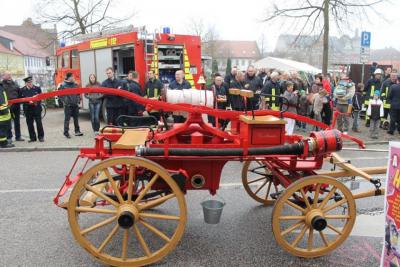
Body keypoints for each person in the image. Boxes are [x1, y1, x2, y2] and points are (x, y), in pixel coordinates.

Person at [59, 72, 83, 138]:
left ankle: (77, 131)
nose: (74, 78)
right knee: (67, 119)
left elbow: (78, 93)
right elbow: (60, 95)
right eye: (72, 76)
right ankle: (66, 132)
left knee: (76, 119)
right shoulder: (63, 85)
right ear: (69, 77)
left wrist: (78, 100)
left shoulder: (75, 84)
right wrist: (65, 102)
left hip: (75, 105)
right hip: (68, 106)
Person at [20, 77, 44, 142]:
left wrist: (36, 102)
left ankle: (41, 137)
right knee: (30, 124)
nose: (30, 83)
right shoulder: (22, 90)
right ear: (26, 83)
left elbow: (40, 98)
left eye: (31, 82)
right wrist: (28, 102)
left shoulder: (37, 88)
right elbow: (21, 100)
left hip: (36, 108)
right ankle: (32, 138)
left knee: (39, 123)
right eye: (28, 82)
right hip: (28, 109)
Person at [2, 71, 24, 142]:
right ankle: (9, 137)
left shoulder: (14, 83)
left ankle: (18, 136)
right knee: (8, 122)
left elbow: (19, 92)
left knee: (17, 122)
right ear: (3, 76)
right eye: (8, 75)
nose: (9, 76)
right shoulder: (2, 85)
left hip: (16, 105)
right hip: (7, 106)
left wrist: (19, 101)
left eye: (10, 75)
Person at [0, 83, 14, 148]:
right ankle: (3, 144)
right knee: (2, 129)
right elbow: (1, 101)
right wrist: (5, 110)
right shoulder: (0, 88)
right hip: (2, 115)